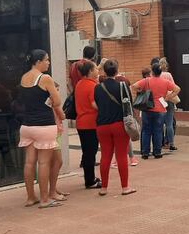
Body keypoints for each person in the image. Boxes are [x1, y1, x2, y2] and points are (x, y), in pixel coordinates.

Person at [18, 50, 66, 208]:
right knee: (44, 162)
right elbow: (57, 101)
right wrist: (52, 99)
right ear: (38, 61)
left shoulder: (24, 77)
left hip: (26, 126)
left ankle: (30, 197)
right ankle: (45, 198)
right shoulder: (45, 78)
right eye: (46, 60)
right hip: (44, 125)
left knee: (29, 162)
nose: (49, 63)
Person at [94, 59, 137, 196]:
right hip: (119, 124)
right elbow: (129, 103)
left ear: (104, 71)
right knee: (121, 155)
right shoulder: (123, 86)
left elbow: (98, 104)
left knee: (105, 155)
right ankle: (125, 187)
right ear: (117, 71)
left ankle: (104, 188)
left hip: (102, 125)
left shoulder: (98, 87)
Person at [132, 63, 180, 159]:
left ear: (152, 72)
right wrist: (168, 97)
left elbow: (134, 86)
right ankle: (157, 152)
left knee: (146, 130)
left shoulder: (146, 81)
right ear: (160, 72)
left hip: (147, 108)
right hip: (160, 108)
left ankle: (145, 152)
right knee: (158, 130)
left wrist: (142, 91)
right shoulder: (165, 82)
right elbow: (177, 89)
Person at [75, 60, 102, 189]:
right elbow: (94, 104)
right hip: (91, 123)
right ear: (90, 71)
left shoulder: (79, 84)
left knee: (87, 152)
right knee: (91, 153)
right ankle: (90, 181)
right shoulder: (92, 86)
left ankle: (89, 178)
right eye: (96, 69)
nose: (98, 71)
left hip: (81, 122)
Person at [159, 57, 178, 151]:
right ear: (166, 66)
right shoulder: (168, 75)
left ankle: (161, 142)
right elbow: (174, 87)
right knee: (169, 123)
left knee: (160, 123)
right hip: (169, 99)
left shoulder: (157, 75)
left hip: (160, 100)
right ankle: (171, 144)